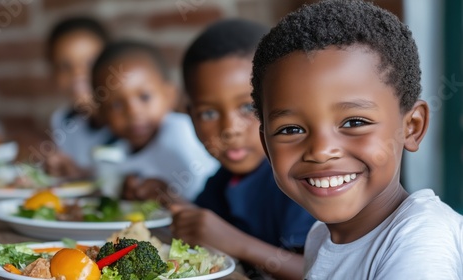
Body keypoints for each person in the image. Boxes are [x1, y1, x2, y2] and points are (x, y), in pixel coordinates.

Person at [250, 0, 463, 279]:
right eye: (290, 130)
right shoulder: (320, 235)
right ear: (266, 144)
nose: (322, 151)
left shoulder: (421, 241)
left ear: (411, 127)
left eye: (354, 122)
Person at [170, 19, 316, 279]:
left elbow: (318, 271)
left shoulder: (303, 180)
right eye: (209, 113)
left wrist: (237, 243)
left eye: (248, 108)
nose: (230, 129)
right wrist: (175, 207)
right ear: (190, 117)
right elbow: (200, 234)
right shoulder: (220, 182)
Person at [90, 40, 219, 202]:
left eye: (145, 97)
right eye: (116, 104)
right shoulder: (117, 149)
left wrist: (168, 195)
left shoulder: (180, 134)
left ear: (169, 95)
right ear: (101, 112)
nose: (133, 112)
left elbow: (204, 204)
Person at [44, 16, 112, 178]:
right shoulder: (62, 120)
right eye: (65, 66)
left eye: (90, 63)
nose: (77, 74)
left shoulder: (130, 119)